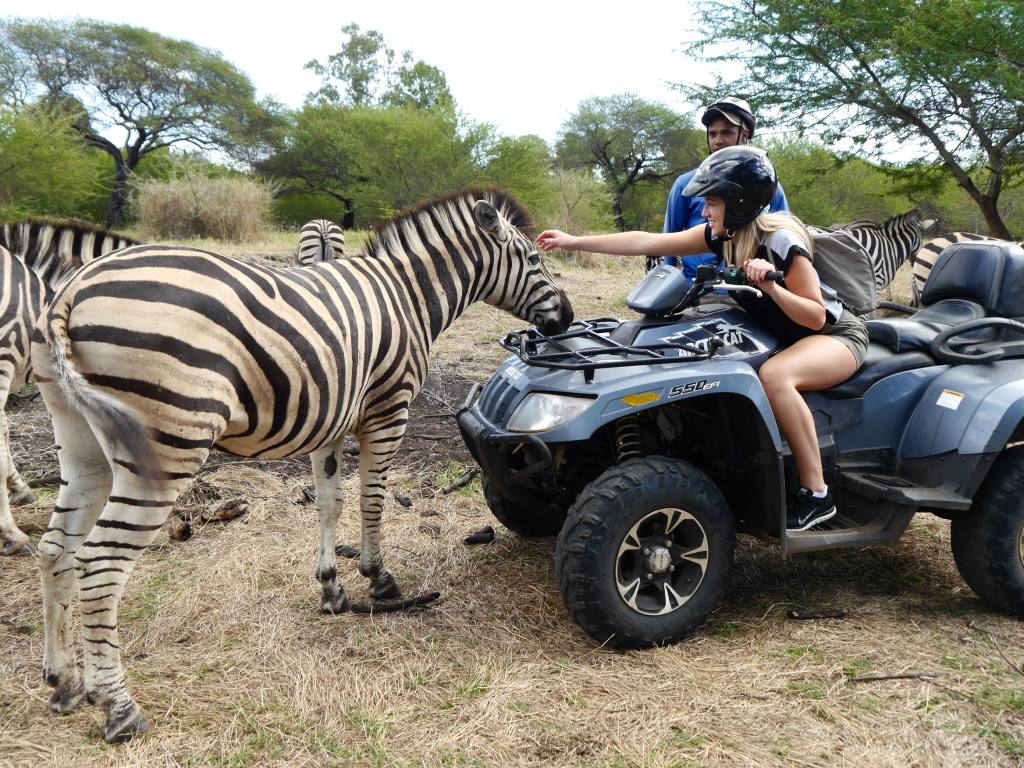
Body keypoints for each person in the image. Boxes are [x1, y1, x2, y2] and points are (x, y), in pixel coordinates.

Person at [536, 146, 868, 532]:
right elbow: (648, 242)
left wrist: (773, 287)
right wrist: (573, 242)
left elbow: (815, 314)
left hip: (834, 335)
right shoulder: (723, 236)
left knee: (777, 377)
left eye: (712, 202)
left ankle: (816, 494)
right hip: (780, 332)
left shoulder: (780, 242)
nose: (705, 211)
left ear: (740, 203)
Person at [662, 97, 788, 279]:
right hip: (697, 290)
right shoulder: (686, 184)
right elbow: (669, 239)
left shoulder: (767, 186)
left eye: (726, 133)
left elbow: (783, 235)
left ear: (744, 135)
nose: (718, 141)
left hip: (751, 289)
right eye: (712, 134)